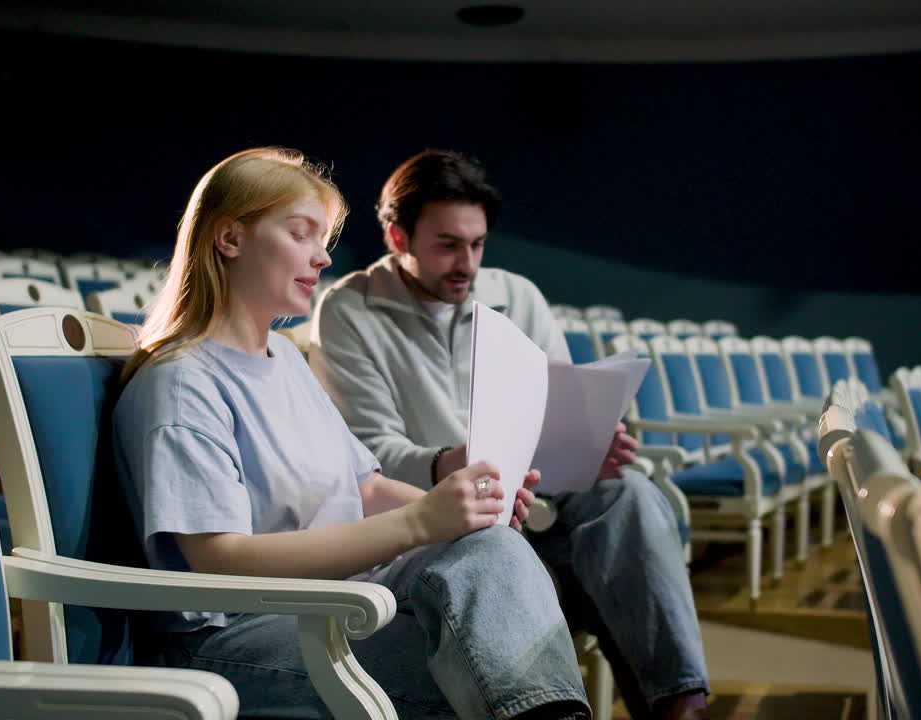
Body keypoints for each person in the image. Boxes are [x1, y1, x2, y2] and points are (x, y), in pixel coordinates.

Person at [113, 147, 592, 720]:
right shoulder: (181, 382)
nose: (321, 257)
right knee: (484, 663)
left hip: (336, 599)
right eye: (301, 234)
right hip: (235, 635)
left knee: (491, 547)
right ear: (230, 238)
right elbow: (219, 560)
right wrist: (420, 522)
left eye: (323, 239)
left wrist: (467, 509)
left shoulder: (284, 360)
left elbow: (365, 487)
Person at [310, 150, 711, 720]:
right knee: (529, 550)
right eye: (447, 245)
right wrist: (453, 463)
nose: (467, 264)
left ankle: (681, 705)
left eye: (477, 244)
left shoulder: (518, 295)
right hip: (442, 527)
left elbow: (557, 411)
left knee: (631, 493)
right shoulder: (349, 310)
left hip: (536, 507)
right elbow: (368, 456)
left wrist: (586, 449)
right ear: (398, 237)